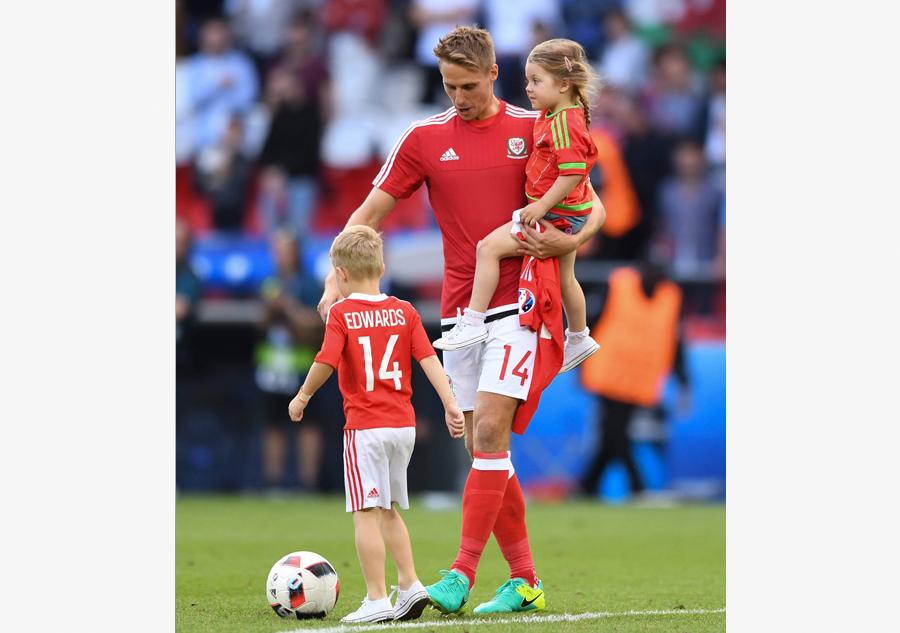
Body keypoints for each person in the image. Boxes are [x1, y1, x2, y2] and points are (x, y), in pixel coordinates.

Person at [316, 25, 606, 615]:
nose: (458, 96)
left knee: (492, 434)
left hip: (523, 297)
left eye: (468, 85)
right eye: (449, 85)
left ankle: (460, 572)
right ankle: (525, 580)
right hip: (461, 311)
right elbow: (368, 214)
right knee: (483, 447)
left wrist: (566, 239)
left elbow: (593, 202)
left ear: (494, 75)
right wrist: (332, 279)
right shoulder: (423, 139)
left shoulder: (535, 126)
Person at [289, 226, 465, 623]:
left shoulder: (342, 313)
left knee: (365, 513)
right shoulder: (405, 310)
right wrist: (451, 404)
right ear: (382, 266)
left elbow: (325, 361)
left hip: (366, 427)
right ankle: (410, 584)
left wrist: (302, 396)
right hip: (402, 427)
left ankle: (376, 599)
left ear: (341, 274)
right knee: (389, 509)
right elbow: (429, 361)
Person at [432, 38, 601, 375]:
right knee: (567, 278)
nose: (528, 89)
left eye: (536, 81)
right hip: (569, 214)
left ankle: (473, 320)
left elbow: (572, 175)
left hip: (557, 214)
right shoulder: (558, 115)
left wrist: (540, 208)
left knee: (489, 248)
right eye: (527, 80)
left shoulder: (564, 123)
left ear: (564, 84)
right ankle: (579, 336)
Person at [578, 261, 690, 498]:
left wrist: (683, 380)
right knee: (616, 431)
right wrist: (579, 358)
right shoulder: (619, 286)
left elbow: (675, 341)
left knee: (613, 432)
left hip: (637, 379)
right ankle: (638, 487)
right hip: (607, 372)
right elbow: (591, 323)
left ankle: (587, 487)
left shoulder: (670, 298)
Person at [255, 227, 325, 491]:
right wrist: (269, 311)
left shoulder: (308, 284)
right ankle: (273, 481)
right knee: (273, 425)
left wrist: (289, 308)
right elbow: (259, 326)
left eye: (285, 249)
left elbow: (316, 324)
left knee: (308, 424)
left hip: (302, 367)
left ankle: (308, 483)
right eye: (277, 249)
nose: (280, 255)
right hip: (272, 364)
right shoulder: (269, 282)